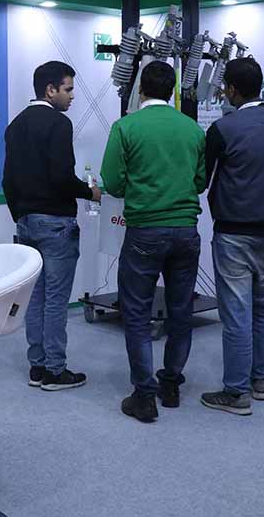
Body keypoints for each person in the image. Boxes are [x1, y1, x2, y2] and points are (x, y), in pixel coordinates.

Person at [99, 61, 206, 423]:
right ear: (173, 90)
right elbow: (200, 181)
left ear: (141, 89)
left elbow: (113, 183)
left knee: (137, 313)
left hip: (144, 230)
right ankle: (171, 385)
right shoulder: (192, 129)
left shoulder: (126, 127)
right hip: (186, 231)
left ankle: (144, 396)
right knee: (181, 311)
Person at [200, 57, 264, 416]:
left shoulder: (223, 129)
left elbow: (201, 180)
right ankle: (260, 381)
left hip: (234, 234)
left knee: (237, 313)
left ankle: (236, 392)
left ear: (231, 89)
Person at [3, 61, 100, 392]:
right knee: (56, 300)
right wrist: (90, 192)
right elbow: (61, 178)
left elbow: (7, 181)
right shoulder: (59, 123)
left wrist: (21, 215)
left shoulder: (15, 125)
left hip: (26, 223)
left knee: (36, 298)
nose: (72, 96)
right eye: (68, 89)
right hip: (56, 224)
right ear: (50, 90)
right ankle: (55, 370)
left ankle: (37, 366)